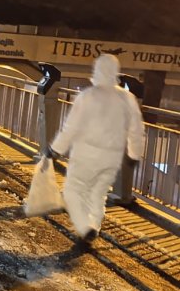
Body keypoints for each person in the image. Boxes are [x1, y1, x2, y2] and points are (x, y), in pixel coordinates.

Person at [48, 53, 145, 247]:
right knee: (98, 193)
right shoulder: (127, 98)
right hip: (111, 156)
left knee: (73, 192)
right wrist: (135, 154)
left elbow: (71, 127)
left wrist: (55, 149)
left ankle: (86, 227)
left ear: (97, 71)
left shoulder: (88, 96)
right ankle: (94, 226)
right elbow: (136, 129)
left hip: (85, 153)